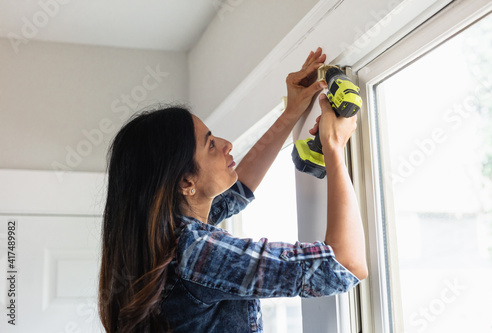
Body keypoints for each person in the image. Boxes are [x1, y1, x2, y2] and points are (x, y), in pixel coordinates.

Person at [98, 47, 367, 333]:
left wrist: (290, 114)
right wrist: (334, 148)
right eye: (210, 144)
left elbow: (239, 187)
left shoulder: (165, 237)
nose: (227, 144)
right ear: (187, 183)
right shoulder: (196, 254)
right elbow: (345, 265)